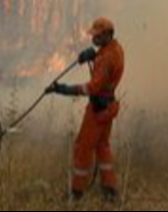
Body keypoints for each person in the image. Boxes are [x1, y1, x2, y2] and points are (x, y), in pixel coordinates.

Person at [46, 16, 125, 202]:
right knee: (102, 146)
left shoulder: (106, 58)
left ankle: (76, 192)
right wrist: (93, 56)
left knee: (83, 147)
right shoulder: (115, 48)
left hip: (98, 110)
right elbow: (105, 69)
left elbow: (92, 87)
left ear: (107, 34)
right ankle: (110, 189)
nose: (93, 39)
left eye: (97, 36)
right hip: (109, 105)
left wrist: (63, 89)